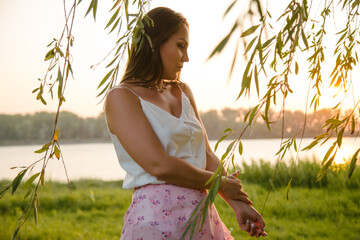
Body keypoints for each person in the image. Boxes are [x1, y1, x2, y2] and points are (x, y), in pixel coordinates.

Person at [104, 6, 267, 239]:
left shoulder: (182, 91)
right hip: (154, 220)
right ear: (155, 43)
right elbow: (158, 165)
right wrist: (219, 183)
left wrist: (238, 203)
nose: (186, 58)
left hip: (201, 216)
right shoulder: (122, 98)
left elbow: (206, 154)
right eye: (181, 45)